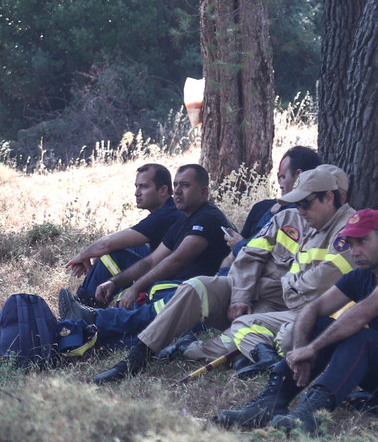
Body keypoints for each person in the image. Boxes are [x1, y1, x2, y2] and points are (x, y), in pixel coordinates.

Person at [89, 166, 355, 384]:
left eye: (305, 203)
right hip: (252, 297)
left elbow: (317, 286)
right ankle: (138, 356)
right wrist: (241, 295)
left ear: (329, 198)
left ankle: (197, 350)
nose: (300, 211)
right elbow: (248, 255)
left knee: (248, 330)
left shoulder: (348, 232)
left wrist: (264, 285)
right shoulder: (287, 218)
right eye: (296, 203)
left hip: (294, 310)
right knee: (196, 287)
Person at [217, 209, 378, 435]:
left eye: (363, 241)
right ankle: (269, 403)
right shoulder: (361, 275)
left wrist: (312, 348)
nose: (355, 251)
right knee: (319, 324)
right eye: (351, 243)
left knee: (360, 336)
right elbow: (312, 308)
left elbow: (364, 311)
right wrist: (301, 348)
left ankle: (311, 413)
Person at [59, 164, 233, 355]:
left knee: (152, 310)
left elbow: (176, 260)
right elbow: (151, 261)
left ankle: (91, 319)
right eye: (176, 185)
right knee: (141, 314)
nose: (177, 191)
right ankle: (84, 332)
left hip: (204, 302)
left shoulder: (208, 217)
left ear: (204, 191)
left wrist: (136, 287)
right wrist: (113, 282)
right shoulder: (183, 220)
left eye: (185, 185)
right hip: (178, 290)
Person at [65, 163, 183, 306]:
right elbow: (117, 241)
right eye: (136, 186)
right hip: (166, 269)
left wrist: (83, 255)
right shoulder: (168, 209)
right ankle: (91, 296)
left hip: (172, 280)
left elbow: (107, 244)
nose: (137, 192)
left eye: (144, 186)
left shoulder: (166, 215)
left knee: (112, 255)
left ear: (163, 190)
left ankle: (85, 306)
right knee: (124, 248)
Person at [217, 146, 323, 274]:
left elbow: (273, 258)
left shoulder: (298, 216)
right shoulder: (262, 207)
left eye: (283, 177)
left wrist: (240, 245)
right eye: (278, 177)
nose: (279, 183)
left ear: (298, 175)